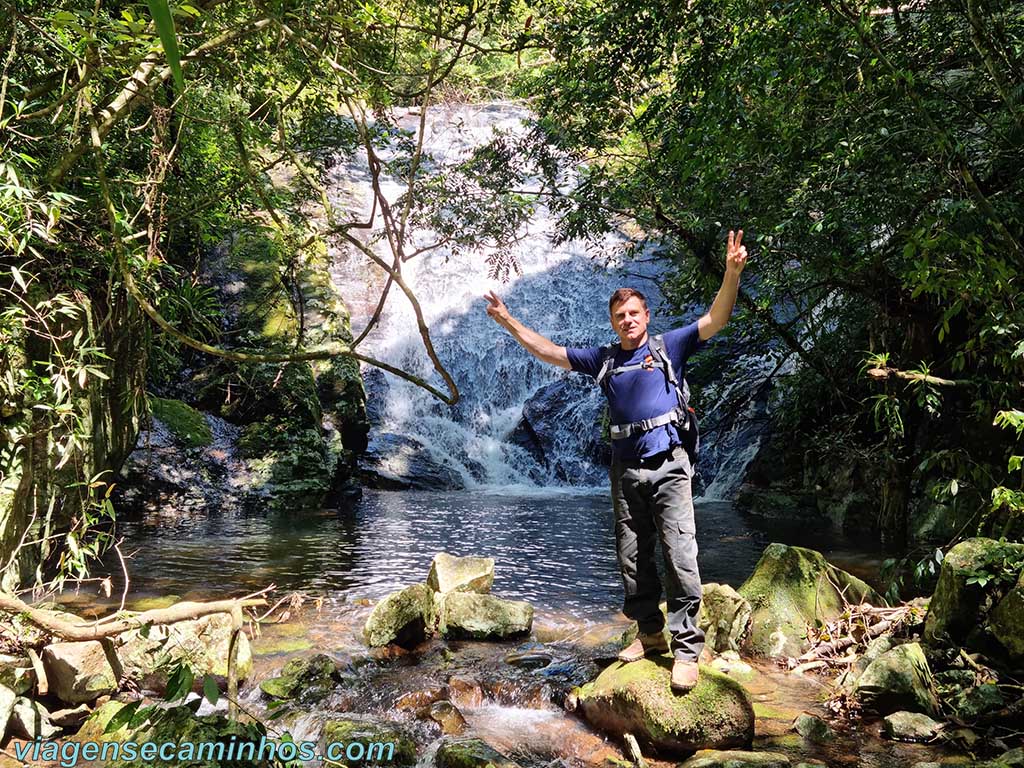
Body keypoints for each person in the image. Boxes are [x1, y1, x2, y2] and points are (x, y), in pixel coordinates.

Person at [485, 230, 749, 693]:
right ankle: (649, 635)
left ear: (646, 316)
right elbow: (548, 352)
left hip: (669, 464)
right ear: (613, 323)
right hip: (625, 470)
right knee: (632, 557)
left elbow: (717, 318)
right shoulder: (604, 359)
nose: (627, 321)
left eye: (633, 313)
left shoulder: (670, 347)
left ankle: (687, 649)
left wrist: (732, 273)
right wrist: (507, 320)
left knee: (680, 556)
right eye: (619, 316)